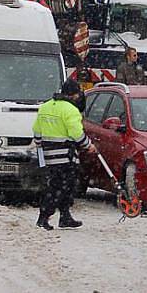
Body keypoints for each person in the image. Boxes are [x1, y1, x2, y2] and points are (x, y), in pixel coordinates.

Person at [32, 75, 96, 230]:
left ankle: (65, 216)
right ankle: (44, 218)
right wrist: (88, 145)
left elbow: (36, 130)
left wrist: (42, 145)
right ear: (74, 94)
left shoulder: (45, 106)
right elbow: (76, 133)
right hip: (65, 156)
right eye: (77, 94)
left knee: (57, 186)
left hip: (49, 155)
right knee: (62, 187)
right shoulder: (71, 110)